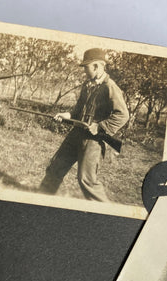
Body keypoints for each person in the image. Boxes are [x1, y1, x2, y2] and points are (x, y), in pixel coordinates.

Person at [39, 48, 129, 201]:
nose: (85, 71)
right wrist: (65, 115)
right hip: (76, 134)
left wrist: (99, 126)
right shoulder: (87, 85)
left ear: (96, 66)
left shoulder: (110, 86)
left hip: (93, 140)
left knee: (86, 180)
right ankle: (39, 202)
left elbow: (123, 115)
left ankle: (104, 214)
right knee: (55, 168)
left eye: (86, 67)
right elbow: (77, 112)